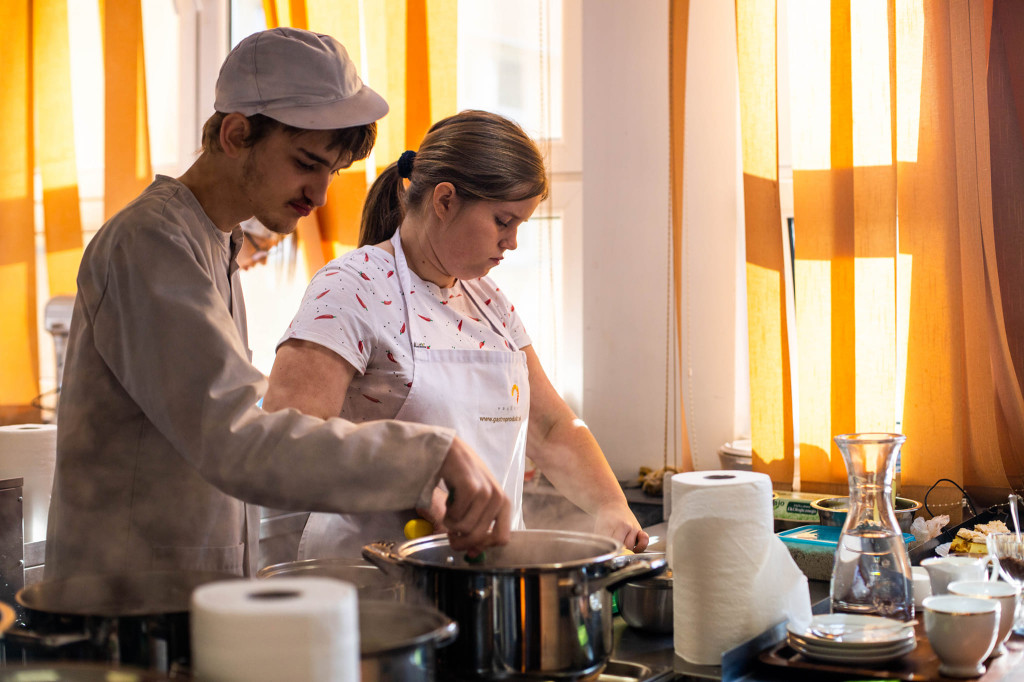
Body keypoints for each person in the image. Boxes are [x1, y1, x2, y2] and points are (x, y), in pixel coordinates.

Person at [45, 28, 511, 581]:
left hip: (174, 603)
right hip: (124, 616)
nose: (319, 195)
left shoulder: (212, 241)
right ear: (237, 134)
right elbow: (236, 436)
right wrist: (425, 455)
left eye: (330, 173)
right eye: (304, 162)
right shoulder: (150, 242)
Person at [263, 110, 649, 558]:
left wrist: (610, 504)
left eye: (520, 225)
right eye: (503, 221)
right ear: (444, 201)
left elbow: (550, 425)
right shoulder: (352, 287)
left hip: (482, 576)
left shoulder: (491, 304)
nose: (513, 242)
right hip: (372, 580)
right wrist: (409, 471)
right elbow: (284, 440)